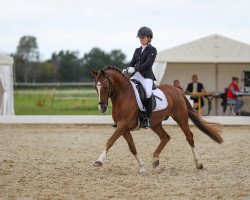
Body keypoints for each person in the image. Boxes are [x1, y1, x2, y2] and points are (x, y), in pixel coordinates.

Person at [125, 26, 157, 128]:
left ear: (149, 38)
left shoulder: (152, 50)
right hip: (136, 75)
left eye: (143, 37)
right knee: (126, 89)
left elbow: (148, 64)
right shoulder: (137, 50)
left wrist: (135, 69)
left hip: (146, 76)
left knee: (148, 93)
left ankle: (147, 118)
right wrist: (127, 69)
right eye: (140, 38)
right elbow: (132, 62)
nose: (141, 39)